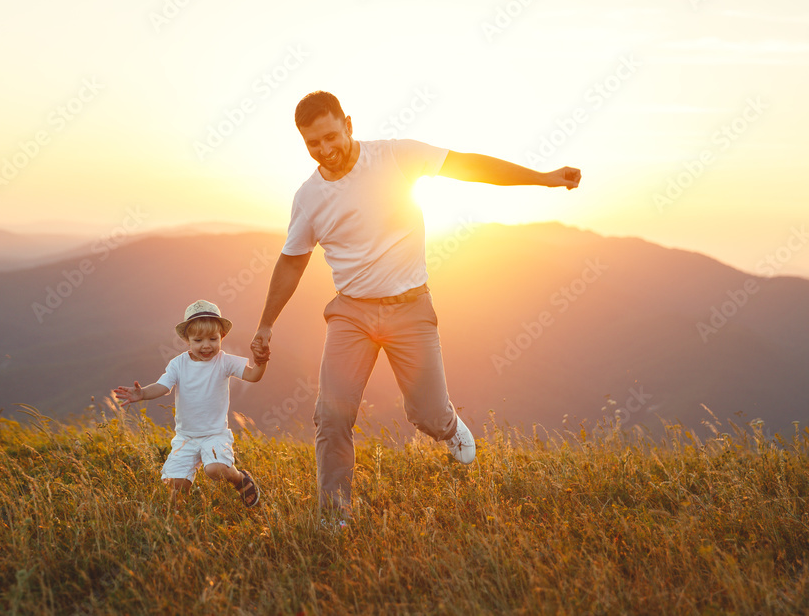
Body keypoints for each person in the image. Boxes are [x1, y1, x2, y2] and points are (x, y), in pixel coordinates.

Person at [250, 91, 581, 518]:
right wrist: (265, 324)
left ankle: (448, 426)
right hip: (351, 313)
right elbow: (292, 263)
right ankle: (334, 518)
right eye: (314, 143)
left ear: (348, 124)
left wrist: (544, 177)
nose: (326, 149)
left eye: (332, 136)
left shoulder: (396, 157)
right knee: (331, 419)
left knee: (425, 414)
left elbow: (469, 166)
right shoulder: (308, 197)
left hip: (411, 308)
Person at [116, 300, 266, 507]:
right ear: (187, 340)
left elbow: (253, 376)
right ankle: (182, 526)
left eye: (213, 339)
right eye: (198, 340)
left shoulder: (225, 361)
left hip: (214, 434)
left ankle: (241, 479)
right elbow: (162, 386)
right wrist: (142, 394)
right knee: (174, 487)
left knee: (215, 469)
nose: (206, 345)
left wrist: (262, 361)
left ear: (222, 337)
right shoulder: (178, 364)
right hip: (185, 437)